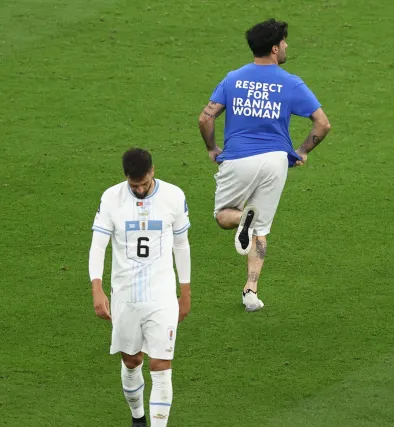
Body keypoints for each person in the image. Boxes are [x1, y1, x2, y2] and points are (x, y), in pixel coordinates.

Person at [198, 18, 331, 312]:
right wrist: (301, 151)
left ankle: (243, 216)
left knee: (223, 216)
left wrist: (212, 148)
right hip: (275, 162)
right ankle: (251, 291)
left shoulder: (232, 79)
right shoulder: (290, 82)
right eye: (284, 42)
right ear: (274, 49)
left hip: (238, 158)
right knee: (261, 227)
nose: (286, 46)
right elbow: (322, 124)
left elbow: (206, 118)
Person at [89, 148, 192, 426]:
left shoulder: (173, 196)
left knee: (161, 367)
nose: (141, 189)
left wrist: (186, 290)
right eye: (135, 185)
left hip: (162, 295)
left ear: (153, 172)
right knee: (132, 360)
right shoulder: (111, 198)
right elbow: (98, 246)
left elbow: (182, 245)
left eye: (145, 183)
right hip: (125, 295)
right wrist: (96, 288)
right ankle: (138, 418)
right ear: (126, 179)